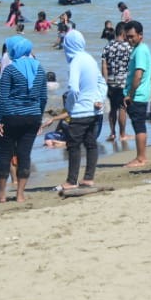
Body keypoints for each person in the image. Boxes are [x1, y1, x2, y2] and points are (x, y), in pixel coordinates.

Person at [0, 36, 47, 203]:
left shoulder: (9, 69)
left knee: (4, 154)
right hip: (33, 117)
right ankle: (20, 194)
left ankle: (1, 195)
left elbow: (2, 97)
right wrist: (39, 118)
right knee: (25, 155)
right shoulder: (40, 69)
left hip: (11, 117)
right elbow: (43, 97)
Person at [57, 30, 105, 192]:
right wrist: (100, 99)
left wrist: (70, 108)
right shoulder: (89, 58)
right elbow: (101, 82)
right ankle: (89, 178)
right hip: (94, 111)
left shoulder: (76, 61)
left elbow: (73, 88)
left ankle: (71, 181)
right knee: (91, 144)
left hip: (80, 111)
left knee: (73, 145)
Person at [122, 21, 151, 168]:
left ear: (140, 35)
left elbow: (138, 74)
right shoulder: (139, 49)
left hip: (138, 95)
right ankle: (141, 156)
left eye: (132, 36)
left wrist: (130, 94)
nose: (129, 39)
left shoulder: (140, 50)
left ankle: (141, 158)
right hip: (140, 93)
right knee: (138, 125)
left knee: (138, 126)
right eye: (127, 37)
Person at [100, 24, 133, 147]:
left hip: (110, 81)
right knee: (122, 108)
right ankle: (122, 134)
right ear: (124, 33)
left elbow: (104, 65)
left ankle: (112, 133)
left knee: (112, 108)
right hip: (123, 82)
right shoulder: (128, 47)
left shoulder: (108, 46)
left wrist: (105, 81)